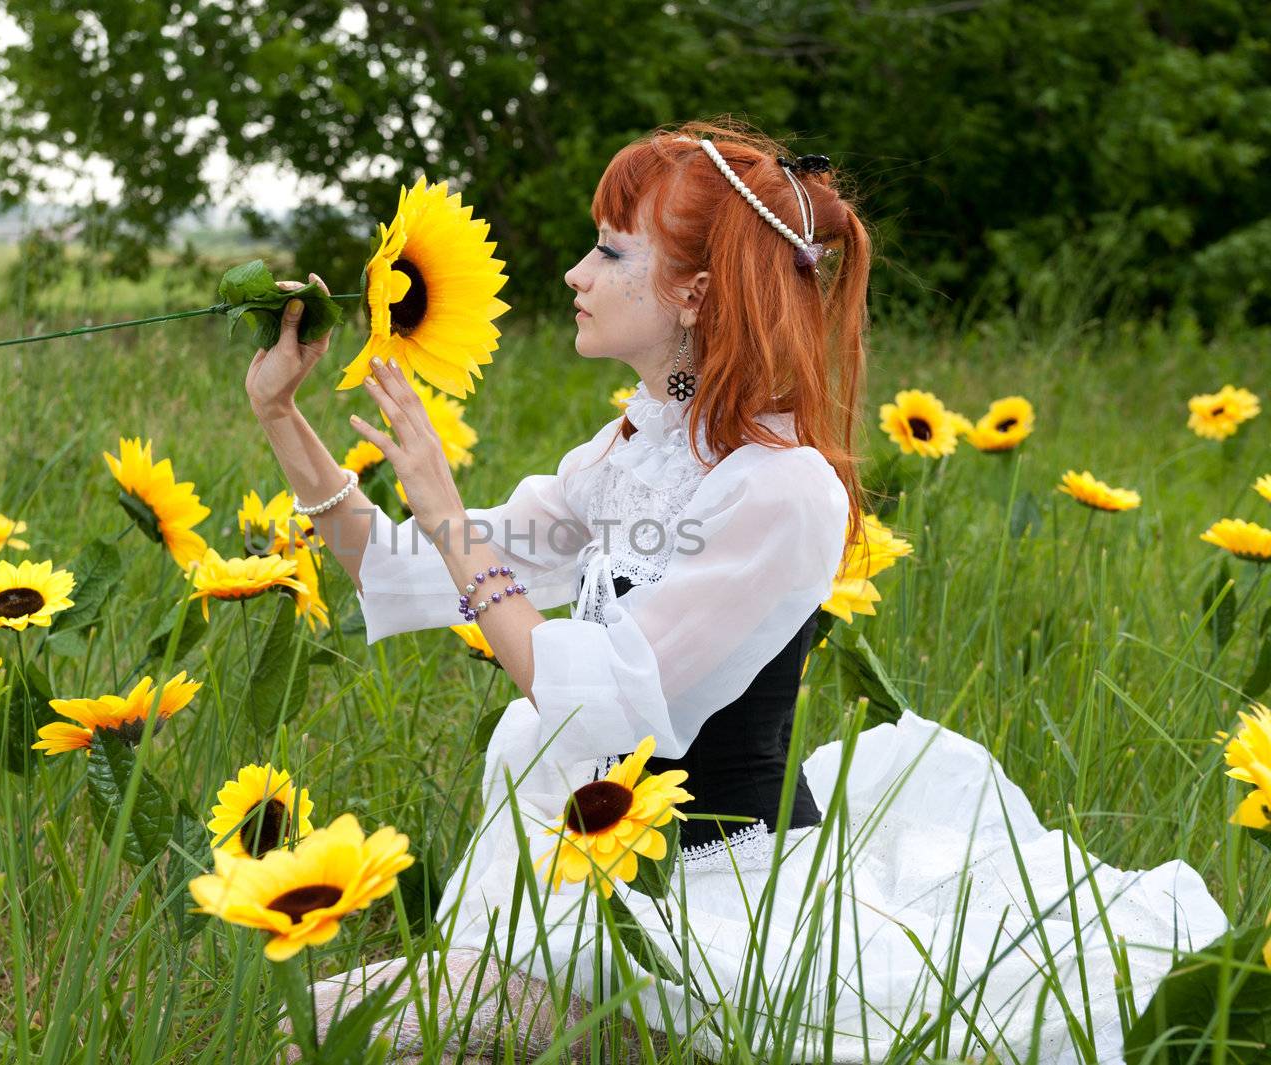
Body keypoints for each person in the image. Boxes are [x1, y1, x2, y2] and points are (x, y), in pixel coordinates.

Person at [243, 119, 1227, 1063]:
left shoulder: (782, 490)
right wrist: (280, 410)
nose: (575, 276)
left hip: (715, 916)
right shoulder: (632, 452)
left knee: (327, 1033)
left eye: (611, 254)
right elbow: (399, 568)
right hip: (591, 877)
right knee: (353, 1037)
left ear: (696, 295)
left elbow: (581, 685)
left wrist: (448, 512)